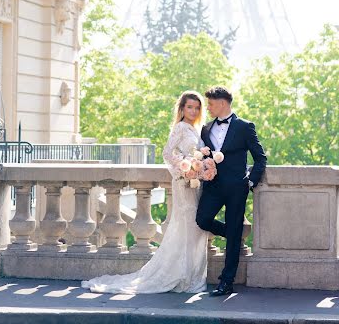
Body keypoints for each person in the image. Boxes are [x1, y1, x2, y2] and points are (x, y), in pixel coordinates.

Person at [82, 90, 209, 293]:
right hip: (183, 182)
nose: (193, 111)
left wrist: (201, 167)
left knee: (195, 227)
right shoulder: (180, 128)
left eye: (196, 107)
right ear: (182, 108)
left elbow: (199, 154)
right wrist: (185, 167)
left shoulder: (197, 129)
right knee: (186, 225)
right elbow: (167, 153)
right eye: (189, 107)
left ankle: (193, 275)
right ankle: (182, 276)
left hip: (196, 184)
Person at [196, 85, 267, 296]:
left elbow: (260, 158)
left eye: (210, 103)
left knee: (234, 232)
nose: (207, 108)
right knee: (202, 219)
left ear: (222, 103)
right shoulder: (206, 129)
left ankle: (226, 282)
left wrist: (250, 182)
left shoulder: (245, 126)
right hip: (213, 187)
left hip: (237, 188)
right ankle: (232, 234)